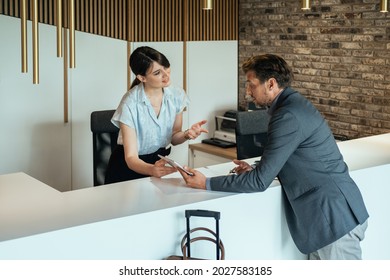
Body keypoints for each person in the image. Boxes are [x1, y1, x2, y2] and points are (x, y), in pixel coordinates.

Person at [177, 54, 369, 260]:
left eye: (251, 85)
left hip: (334, 220)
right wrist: (259, 167)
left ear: (271, 84)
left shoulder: (288, 115)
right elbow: (291, 155)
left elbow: (260, 182)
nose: (248, 91)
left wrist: (206, 183)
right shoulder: (291, 106)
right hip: (329, 221)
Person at [105, 46, 207, 184]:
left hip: (158, 164)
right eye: (158, 72)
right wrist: (151, 170)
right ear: (142, 77)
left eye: (166, 67)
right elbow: (130, 158)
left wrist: (187, 134)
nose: (166, 75)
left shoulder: (176, 95)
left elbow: (174, 137)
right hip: (128, 169)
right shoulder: (129, 103)